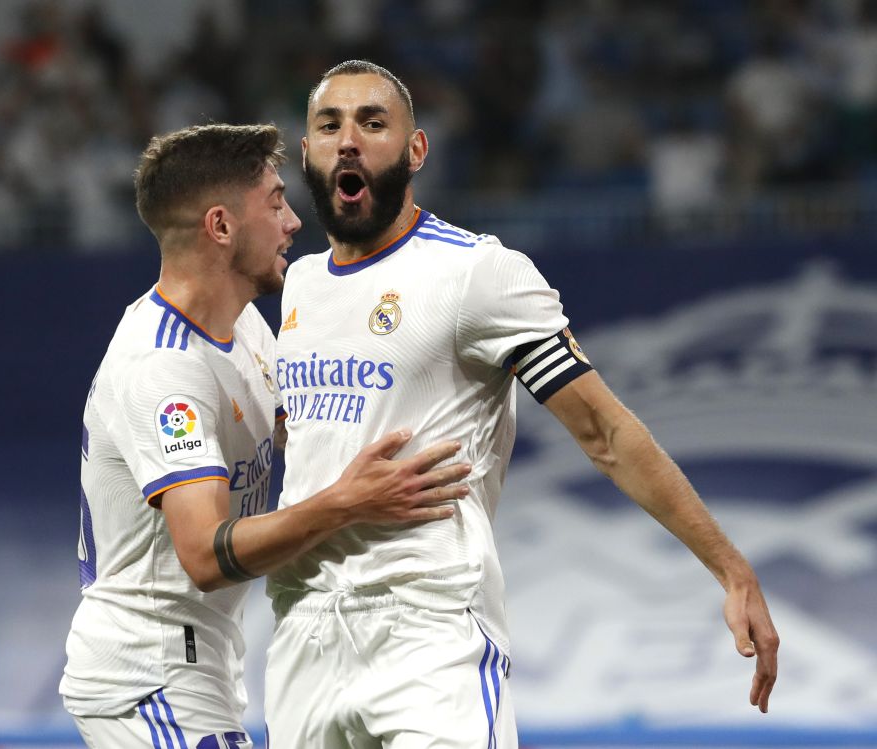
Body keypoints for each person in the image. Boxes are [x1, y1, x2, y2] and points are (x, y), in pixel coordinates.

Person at [263, 61, 780, 748]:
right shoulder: (297, 285)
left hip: (425, 629)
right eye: (329, 125)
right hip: (304, 631)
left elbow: (605, 432)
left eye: (373, 122)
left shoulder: (477, 273)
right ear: (306, 153)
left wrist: (729, 566)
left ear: (416, 151)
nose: (349, 139)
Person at [59, 123, 472, 748]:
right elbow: (205, 555)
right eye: (275, 203)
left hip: (201, 662)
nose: (293, 223)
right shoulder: (163, 369)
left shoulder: (244, 325)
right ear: (221, 227)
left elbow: (306, 431)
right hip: (149, 673)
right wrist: (350, 501)